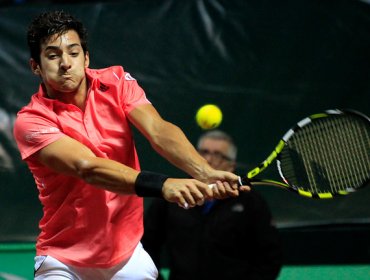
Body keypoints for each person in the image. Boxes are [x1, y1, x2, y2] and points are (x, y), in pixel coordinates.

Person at [13, 11, 249, 279]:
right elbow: (88, 167)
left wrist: (204, 171)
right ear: (36, 66)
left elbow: (158, 131)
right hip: (64, 259)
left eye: (74, 52)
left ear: (86, 57)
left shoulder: (116, 82)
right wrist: (164, 185)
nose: (66, 63)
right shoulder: (31, 122)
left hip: (126, 255)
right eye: (53, 55)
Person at [142, 130, 283, 280]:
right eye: (203, 152)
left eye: (218, 155)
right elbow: (147, 244)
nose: (208, 159)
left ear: (231, 166)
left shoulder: (250, 202)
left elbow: (270, 256)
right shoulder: (172, 195)